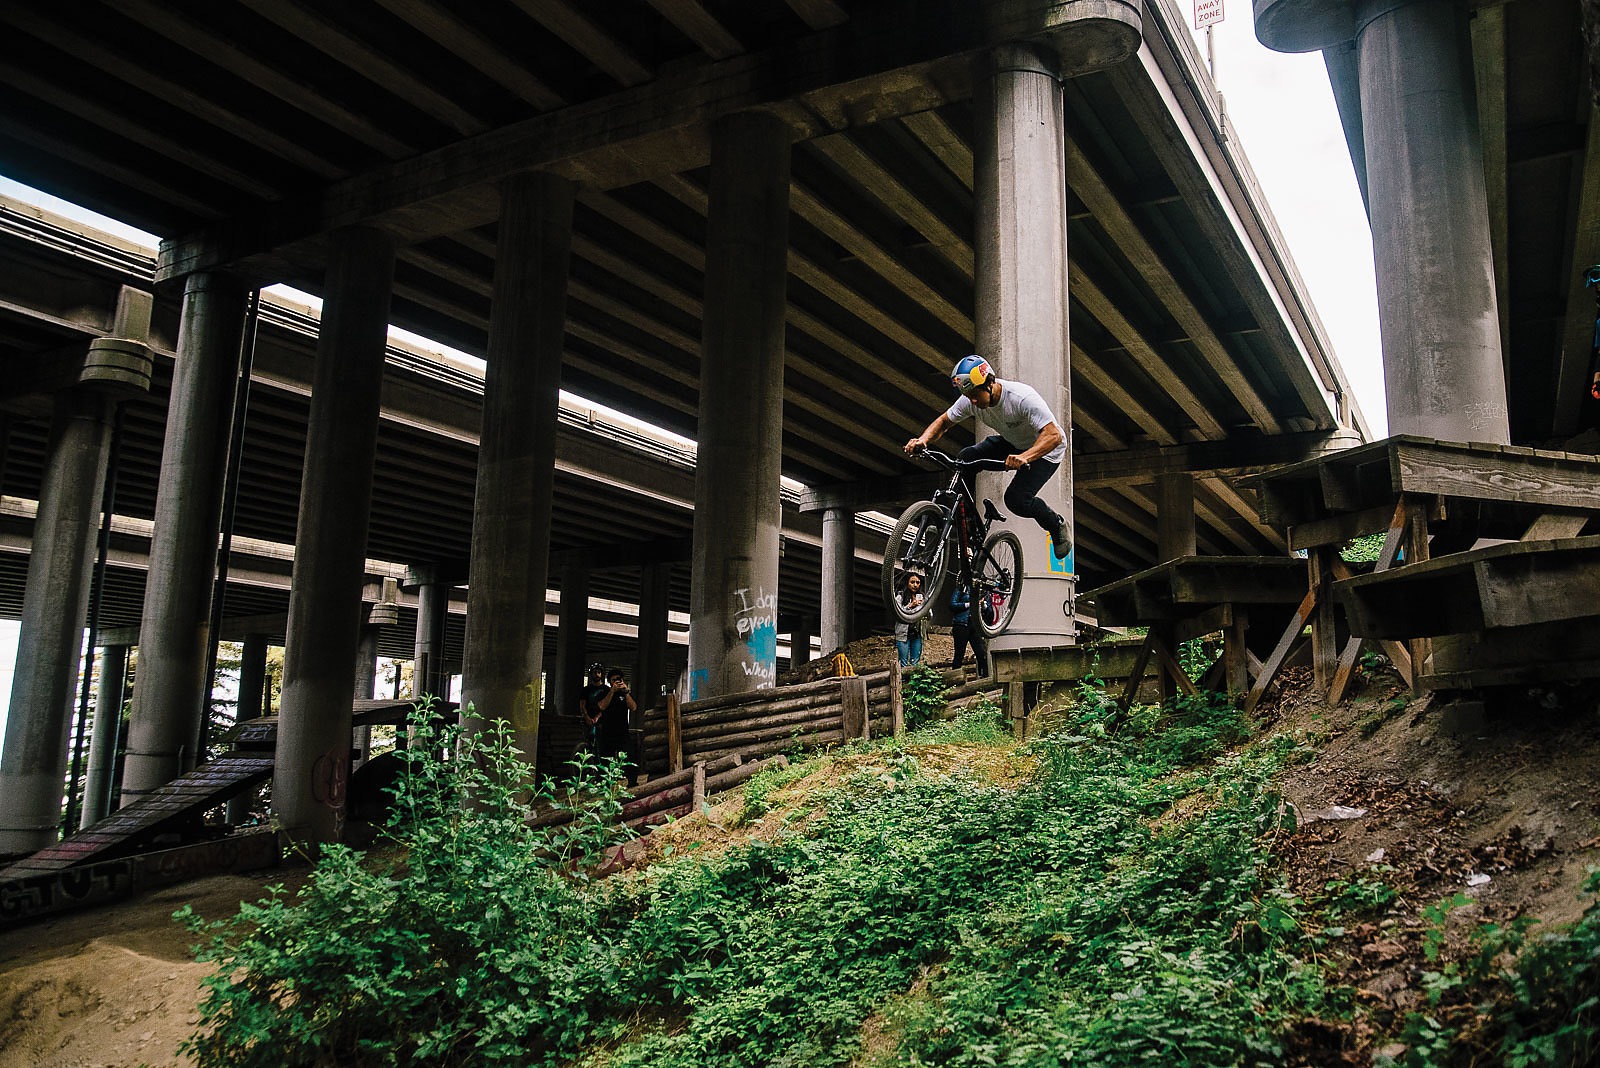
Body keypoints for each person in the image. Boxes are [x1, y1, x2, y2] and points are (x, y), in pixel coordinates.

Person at [904, 354, 1071, 559]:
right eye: (967, 395)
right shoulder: (970, 401)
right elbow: (944, 422)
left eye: (975, 394)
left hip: (1046, 449)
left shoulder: (1021, 397)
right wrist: (923, 440)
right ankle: (965, 521)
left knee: (1016, 500)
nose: (972, 400)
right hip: (1013, 441)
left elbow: (1053, 435)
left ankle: (1056, 524)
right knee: (965, 458)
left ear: (990, 383)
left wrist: (1026, 457)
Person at [586, 666, 638, 786]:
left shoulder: (624, 694)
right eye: (614, 680)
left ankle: (632, 782)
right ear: (609, 681)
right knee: (605, 760)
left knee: (630, 756)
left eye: (618, 679)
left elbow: (634, 707)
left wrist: (626, 692)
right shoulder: (604, 692)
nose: (617, 682)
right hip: (607, 732)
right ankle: (605, 783)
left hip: (623, 732)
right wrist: (612, 691)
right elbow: (602, 706)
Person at [949, 580, 988, 678]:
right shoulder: (962, 588)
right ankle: (955, 679)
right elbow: (952, 604)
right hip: (961, 624)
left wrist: (984, 606)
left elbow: (989, 613)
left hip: (976, 625)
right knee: (959, 654)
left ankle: (984, 678)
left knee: (981, 653)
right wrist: (969, 604)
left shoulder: (983, 591)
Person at [894, 571, 926, 667]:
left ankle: (914, 681)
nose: (915, 585)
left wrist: (925, 608)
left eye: (918, 582)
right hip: (903, 633)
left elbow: (929, 616)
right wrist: (910, 606)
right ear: (907, 583)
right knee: (903, 663)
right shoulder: (900, 597)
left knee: (915, 663)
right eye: (912, 582)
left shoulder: (923, 598)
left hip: (917, 633)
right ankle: (903, 681)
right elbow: (897, 613)